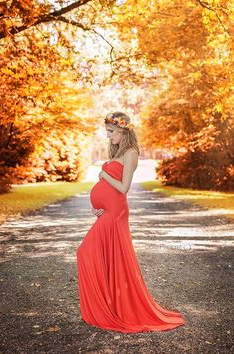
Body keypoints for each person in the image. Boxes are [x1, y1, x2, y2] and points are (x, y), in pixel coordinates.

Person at [76, 112, 185, 333]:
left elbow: (123, 187)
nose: (108, 136)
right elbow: (109, 190)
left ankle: (108, 310)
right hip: (108, 212)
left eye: (111, 131)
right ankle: (107, 306)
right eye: (107, 131)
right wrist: (99, 207)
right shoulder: (118, 152)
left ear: (124, 130)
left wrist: (102, 176)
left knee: (85, 251)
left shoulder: (131, 153)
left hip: (117, 213)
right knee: (97, 254)